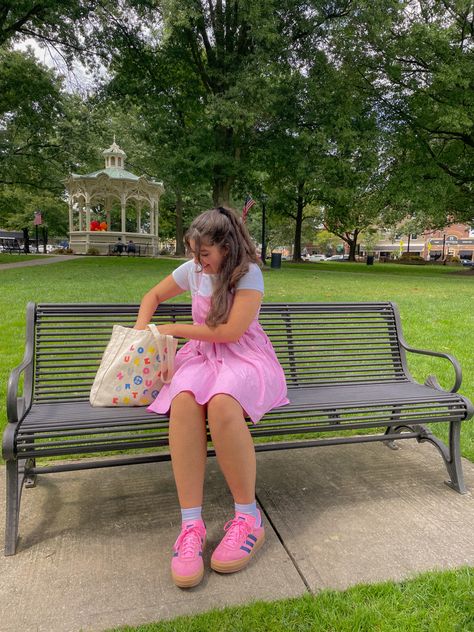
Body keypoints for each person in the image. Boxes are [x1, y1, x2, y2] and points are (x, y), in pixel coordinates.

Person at [134, 206, 288, 588]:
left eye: (204, 254)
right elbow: (152, 294)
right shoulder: (193, 270)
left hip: (244, 358)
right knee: (183, 399)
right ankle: (191, 526)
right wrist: (141, 335)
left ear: (227, 247)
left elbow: (231, 333)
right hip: (204, 357)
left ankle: (247, 517)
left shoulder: (248, 274)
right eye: (193, 253)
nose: (197, 263)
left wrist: (170, 328)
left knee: (222, 402)